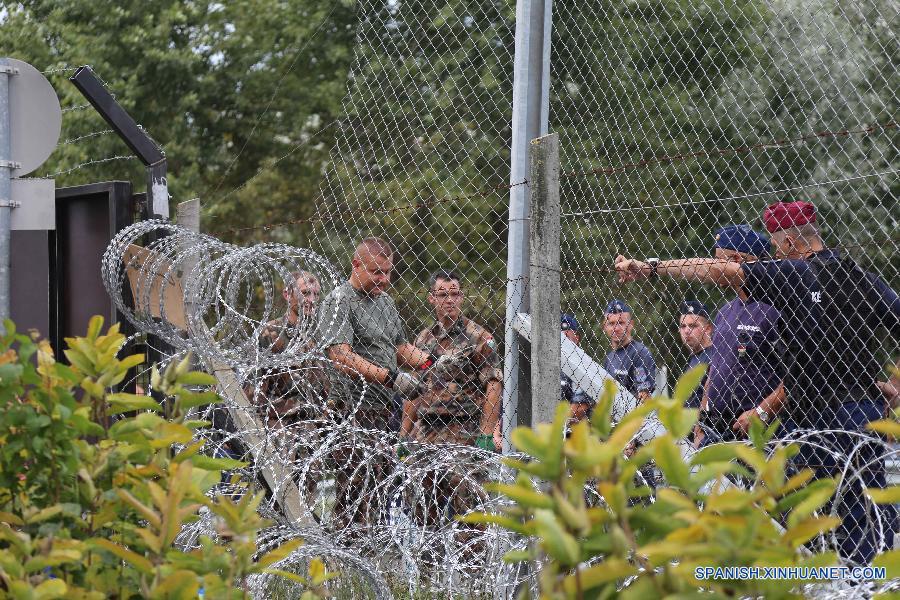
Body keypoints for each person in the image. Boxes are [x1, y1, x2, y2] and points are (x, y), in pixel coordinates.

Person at [614, 201, 899, 566]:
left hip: (815, 415)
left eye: (776, 246)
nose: (773, 253)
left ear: (792, 243)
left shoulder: (795, 274)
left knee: (816, 520)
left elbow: (719, 271)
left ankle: (836, 585)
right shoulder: (861, 277)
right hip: (863, 411)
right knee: (864, 516)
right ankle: (869, 584)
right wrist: (892, 384)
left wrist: (652, 267)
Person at [317, 237, 445, 526]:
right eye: (376, 272)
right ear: (356, 265)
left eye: (388, 272)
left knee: (379, 491)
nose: (384, 279)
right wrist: (392, 379)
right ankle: (349, 554)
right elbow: (341, 356)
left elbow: (399, 348)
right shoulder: (339, 302)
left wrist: (431, 363)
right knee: (354, 494)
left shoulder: (385, 302)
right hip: (352, 410)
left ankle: (371, 556)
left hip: (384, 412)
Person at [691, 226, 786, 447]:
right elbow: (716, 366)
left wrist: (762, 412)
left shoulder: (773, 310)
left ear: (734, 260)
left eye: (717, 262)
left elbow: (795, 374)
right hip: (715, 427)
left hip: (755, 428)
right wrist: (701, 417)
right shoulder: (725, 312)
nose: (712, 268)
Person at [401, 269, 502, 451]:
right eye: (443, 295)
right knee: (424, 478)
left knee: (463, 480)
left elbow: (493, 384)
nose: (449, 300)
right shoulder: (423, 340)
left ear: (461, 297)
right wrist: (404, 434)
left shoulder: (479, 337)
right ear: (432, 298)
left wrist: (486, 433)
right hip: (428, 430)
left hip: (465, 428)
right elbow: (414, 387)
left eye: (455, 294)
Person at [602, 300, 656, 403]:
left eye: (621, 323)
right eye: (611, 323)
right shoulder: (609, 358)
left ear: (631, 324)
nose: (616, 328)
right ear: (605, 327)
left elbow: (644, 396)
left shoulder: (639, 354)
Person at [677, 300, 714, 411]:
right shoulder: (693, 358)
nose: (686, 331)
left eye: (692, 326)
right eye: (683, 326)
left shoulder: (715, 355)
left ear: (707, 329)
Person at [560, 313, 594, 422]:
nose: (563, 343)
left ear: (577, 338)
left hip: (575, 431)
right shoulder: (552, 364)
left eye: (566, 337)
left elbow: (579, 409)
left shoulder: (584, 365)